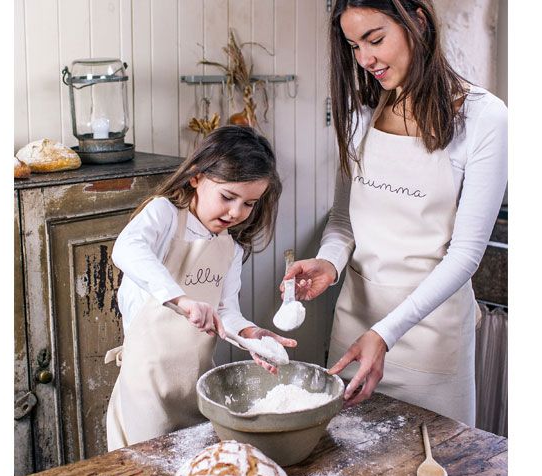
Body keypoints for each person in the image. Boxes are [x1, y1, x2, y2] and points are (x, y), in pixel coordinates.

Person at [283, 0, 507, 425]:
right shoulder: (359, 114)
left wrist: (385, 334)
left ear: (417, 21)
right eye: (353, 46)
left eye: (376, 39)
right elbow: (344, 221)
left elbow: (464, 257)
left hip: (430, 342)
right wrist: (329, 263)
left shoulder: (483, 118)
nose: (365, 59)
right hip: (354, 330)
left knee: (435, 460)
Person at [105, 126, 296, 450]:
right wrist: (183, 300)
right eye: (227, 197)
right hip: (146, 391)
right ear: (196, 176)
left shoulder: (230, 247)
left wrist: (249, 334)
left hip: (198, 388)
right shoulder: (164, 215)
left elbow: (225, 311)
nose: (236, 212)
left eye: (249, 203)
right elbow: (126, 248)